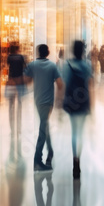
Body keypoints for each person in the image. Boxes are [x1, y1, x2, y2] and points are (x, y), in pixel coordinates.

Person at [24, 44, 63, 172]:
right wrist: (59, 100)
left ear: (38, 52)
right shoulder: (52, 66)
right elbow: (60, 84)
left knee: (44, 126)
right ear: (48, 52)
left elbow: (27, 81)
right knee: (43, 128)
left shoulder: (32, 65)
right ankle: (37, 160)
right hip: (48, 102)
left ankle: (50, 152)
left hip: (38, 101)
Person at [63, 40, 93, 179]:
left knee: (74, 130)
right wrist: (91, 105)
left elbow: (64, 84)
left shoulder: (67, 65)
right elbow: (91, 86)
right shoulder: (87, 65)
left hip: (71, 101)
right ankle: (78, 159)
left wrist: (60, 102)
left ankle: (75, 161)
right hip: (83, 101)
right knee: (80, 132)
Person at [5, 43, 26, 137]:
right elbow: (25, 68)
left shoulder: (9, 57)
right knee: (19, 105)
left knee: (11, 105)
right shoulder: (21, 57)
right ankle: (19, 129)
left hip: (11, 82)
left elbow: (7, 67)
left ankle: (12, 129)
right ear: (18, 49)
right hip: (20, 82)